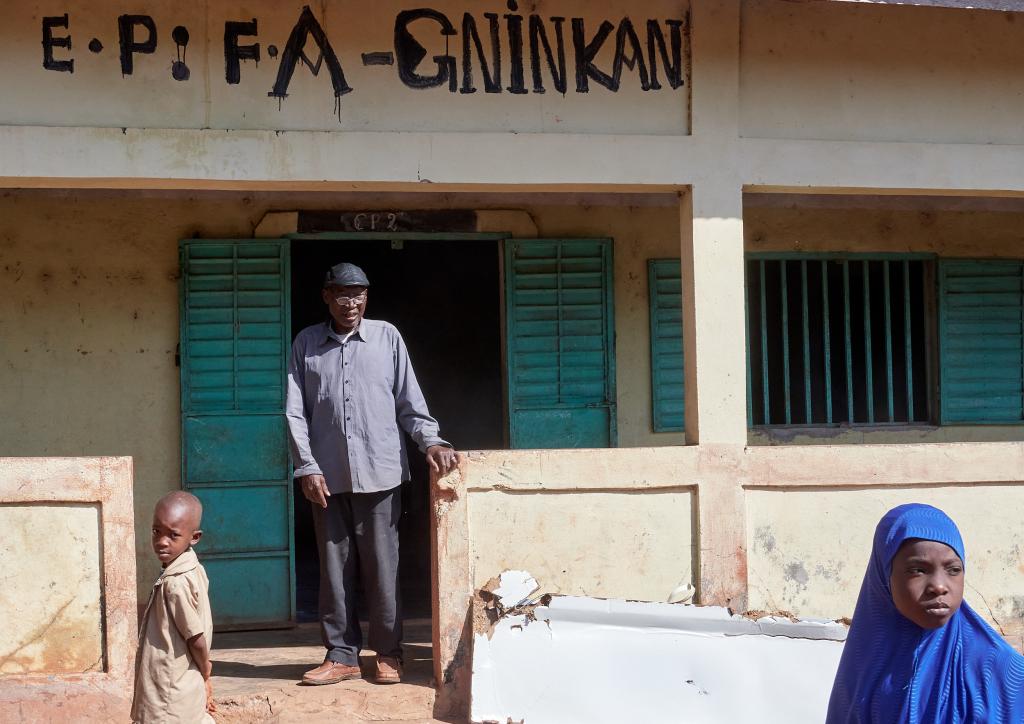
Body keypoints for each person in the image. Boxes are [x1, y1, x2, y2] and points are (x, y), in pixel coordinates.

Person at [286, 262, 457, 686]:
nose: (352, 303)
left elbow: (410, 403)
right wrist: (306, 466)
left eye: (359, 294)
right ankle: (341, 655)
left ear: (367, 297)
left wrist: (431, 441)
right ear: (327, 296)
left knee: (383, 567)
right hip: (326, 478)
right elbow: (295, 411)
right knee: (333, 570)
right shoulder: (307, 343)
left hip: (381, 475)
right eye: (342, 294)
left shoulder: (387, 337)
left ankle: (388, 654)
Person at [826, 503, 1024, 723]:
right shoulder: (862, 667)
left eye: (953, 570)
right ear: (884, 577)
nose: (939, 586)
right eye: (917, 570)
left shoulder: (1002, 672)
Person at [132, 491, 215, 723]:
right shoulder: (193, 568)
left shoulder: (175, 583)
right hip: (182, 682)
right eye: (156, 531)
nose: (161, 541)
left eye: (173, 535)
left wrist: (206, 670)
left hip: (170, 689)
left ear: (194, 537)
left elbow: (195, 636)